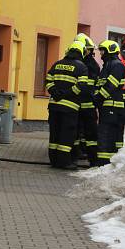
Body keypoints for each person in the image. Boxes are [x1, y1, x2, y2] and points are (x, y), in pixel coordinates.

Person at [45, 41, 89, 170]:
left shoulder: (57, 64)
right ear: (81, 52)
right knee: (66, 135)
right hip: (70, 108)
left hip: (54, 106)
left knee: (54, 134)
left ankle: (54, 160)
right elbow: (81, 86)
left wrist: (56, 93)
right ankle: (64, 162)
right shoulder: (81, 67)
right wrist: (67, 94)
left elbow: (48, 81)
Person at [93, 40, 125, 165]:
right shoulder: (108, 65)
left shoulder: (116, 65)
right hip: (107, 106)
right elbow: (100, 84)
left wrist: (98, 98)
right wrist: (96, 96)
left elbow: (110, 86)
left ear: (109, 50)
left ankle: (104, 162)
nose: (101, 53)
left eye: (103, 50)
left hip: (112, 106)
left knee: (106, 133)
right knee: (106, 133)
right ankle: (105, 161)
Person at [74, 33, 100, 166]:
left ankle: (86, 154)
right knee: (79, 131)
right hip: (83, 104)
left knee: (85, 132)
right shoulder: (90, 65)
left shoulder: (89, 65)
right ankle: (84, 154)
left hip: (83, 104)